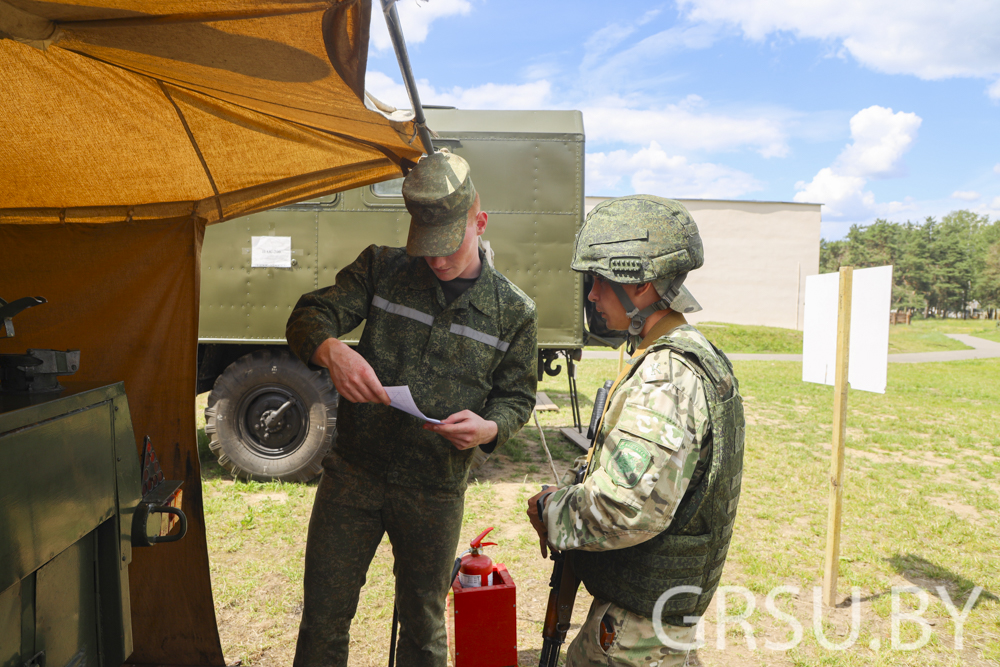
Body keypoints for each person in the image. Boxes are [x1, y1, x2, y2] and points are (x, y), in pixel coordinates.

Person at [287, 151, 537, 667]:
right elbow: (310, 314)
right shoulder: (382, 267)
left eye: (449, 246)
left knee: (423, 628)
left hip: (434, 489)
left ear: (479, 223)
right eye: (426, 248)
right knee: (324, 619)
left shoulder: (514, 311)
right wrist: (329, 350)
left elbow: (517, 397)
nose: (438, 261)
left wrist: (490, 427)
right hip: (353, 475)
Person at [527, 195, 745, 666]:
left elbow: (623, 508)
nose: (591, 296)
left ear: (641, 285)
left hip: (635, 635)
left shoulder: (666, 376)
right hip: (649, 621)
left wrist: (550, 508)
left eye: (599, 281)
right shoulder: (684, 355)